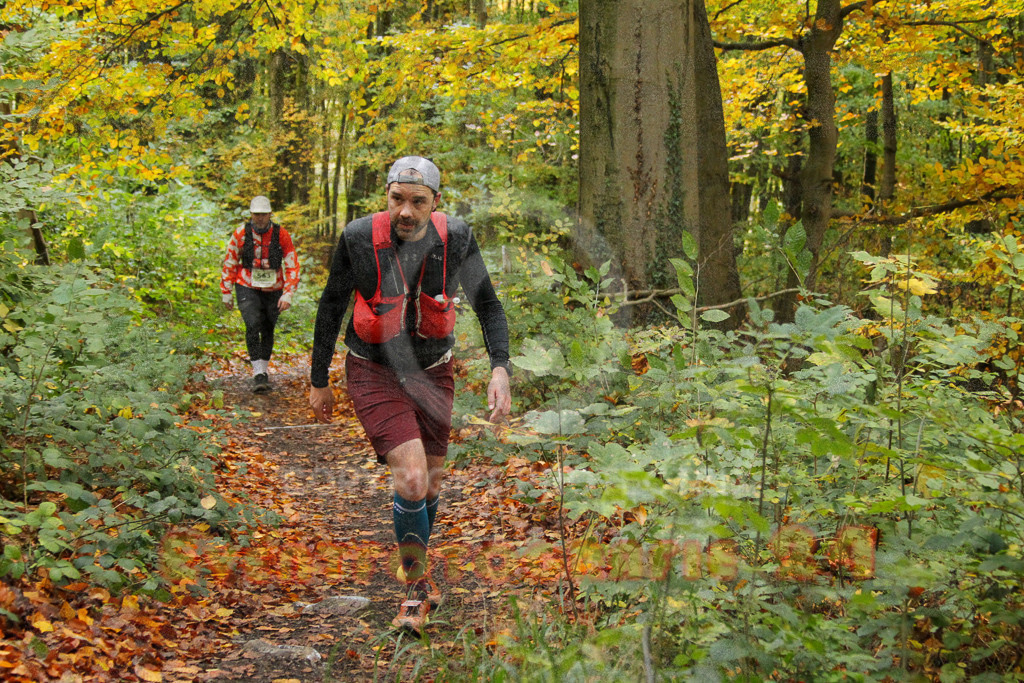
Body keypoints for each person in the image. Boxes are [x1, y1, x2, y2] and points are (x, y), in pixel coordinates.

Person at [308, 156, 512, 632]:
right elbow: (331, 306)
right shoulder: (358, 238)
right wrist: (319, 379)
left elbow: (489, 307)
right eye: (397, 199)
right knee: (413, 480)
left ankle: (418, 564)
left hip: (433, 371)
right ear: (387, 196)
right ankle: (415, 589)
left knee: (431, 482)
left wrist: (500, 369)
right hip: (373, 369)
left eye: (417, 201)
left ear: (435, 203)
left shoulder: (456, 238)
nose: (406, 210)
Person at [221, 195, 301, 393]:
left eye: (264, 215)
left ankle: (263, 371)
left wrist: (288, 293)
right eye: (256, 215)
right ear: (251, 215)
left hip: (273, 288)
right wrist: (226, 291)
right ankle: (257, 372)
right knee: (252, 323)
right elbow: (230, 261)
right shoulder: (240, 234)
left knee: (267, 327)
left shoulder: (281, 235)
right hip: (246, 285)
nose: (260, 219)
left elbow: (292, 265)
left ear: (270, 214)